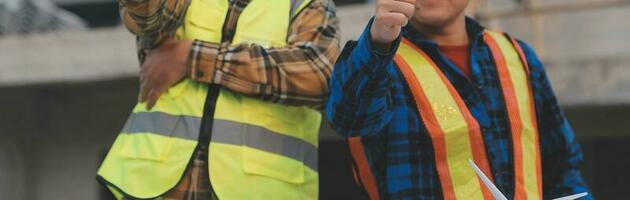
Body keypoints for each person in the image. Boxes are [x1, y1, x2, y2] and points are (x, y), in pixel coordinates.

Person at [326, 0, 592, 199]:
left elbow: (562, 166)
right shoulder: (377, 61)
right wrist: (379, 41)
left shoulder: (518, 56)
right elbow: (349, 118)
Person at [97, 0, 340, 199]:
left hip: (259, 190)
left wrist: (192, 57)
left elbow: (318, 76)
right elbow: (148, 20)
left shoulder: (306, 3)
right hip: (156, 184)